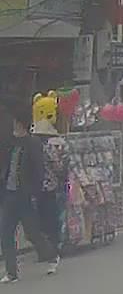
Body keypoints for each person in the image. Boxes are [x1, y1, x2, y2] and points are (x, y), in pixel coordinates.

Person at [0, 111, 58, 283]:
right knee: (5, 232)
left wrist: (34, 192)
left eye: (15, 124)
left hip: (24, 195)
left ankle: (52, 256)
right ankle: (11, 272)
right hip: (10, 194)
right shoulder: (11, 143)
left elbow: (39, 170)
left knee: (32, 233)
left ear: (21, 125)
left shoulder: (32, 143)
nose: (13, 127)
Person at [32, 117, 68, 274]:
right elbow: (58, 168)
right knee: (49, 221)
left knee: (42, 221)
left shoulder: (36, 148)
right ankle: (51, 249)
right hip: (48, 189)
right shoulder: (49, 149)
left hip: (39, 189)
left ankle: (49, 250)